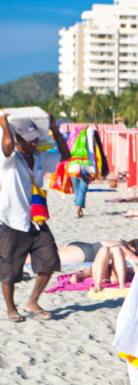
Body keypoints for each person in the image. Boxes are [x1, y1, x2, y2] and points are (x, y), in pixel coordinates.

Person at [0, 112, 70, 321]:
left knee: (49, 260)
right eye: (31, 141)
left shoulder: (39, 158)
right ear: (19, 140)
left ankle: (32, 302)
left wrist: (55, 131)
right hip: (12, 222)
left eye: (36, 139)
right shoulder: (9, 159)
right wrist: (5, 126)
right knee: (10, 269)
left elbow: (65, 156)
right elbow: (7, 146)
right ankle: (11, 309)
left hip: (36, 221)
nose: (35, 143)